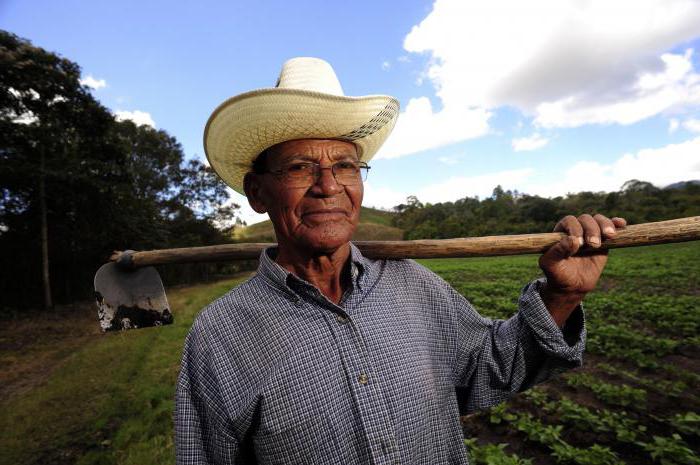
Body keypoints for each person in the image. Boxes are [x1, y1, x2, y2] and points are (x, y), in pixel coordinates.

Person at [175, 57, 626, 465]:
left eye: (346, 166)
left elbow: (492, 368)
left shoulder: (413, 285)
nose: (328, 186)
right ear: (258, 193)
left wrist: (562, 296)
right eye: (299, 168)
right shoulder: (221, 334)